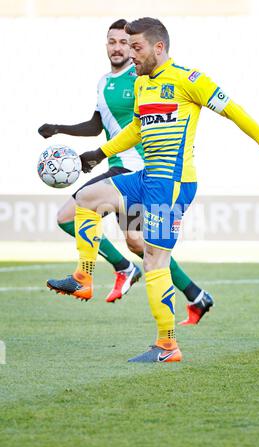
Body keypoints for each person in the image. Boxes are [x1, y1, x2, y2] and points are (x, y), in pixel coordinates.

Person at [47, 17, 259, 362]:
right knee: (87, 198)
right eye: (127, 47)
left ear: (159, 47)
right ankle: (84, 276)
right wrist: (100, 153)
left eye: (137, 47)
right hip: (146, 177)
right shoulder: (144, 84)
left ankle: (167, 345)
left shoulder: (190, 80)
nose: (131, 55)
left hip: (172, 185)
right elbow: (136, 129)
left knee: (154, 260)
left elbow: (232, 109)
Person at [39, 19, 213, 324]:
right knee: (141, 244)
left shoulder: (141, 76)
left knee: (70, 213)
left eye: (125, 43)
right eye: (112, 42)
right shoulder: (105, 82)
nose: (118, 48)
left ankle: (107, 272)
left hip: (136, 167)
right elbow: (97, 126)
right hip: (120, 165)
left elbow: (151, 119)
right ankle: (195, 294)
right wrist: (59, 129)